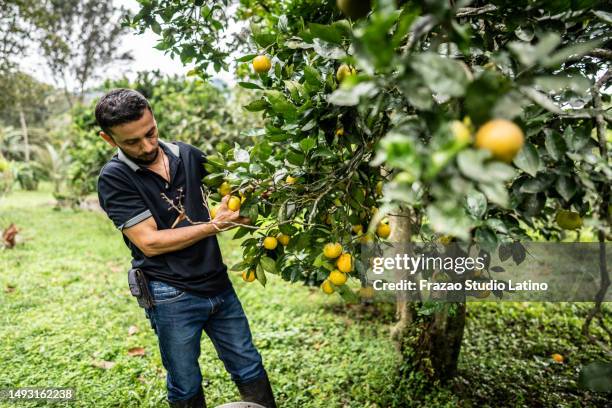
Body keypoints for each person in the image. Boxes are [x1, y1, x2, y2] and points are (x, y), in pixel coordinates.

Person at [95, 88, 276, 408]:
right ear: (110, 140)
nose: (147, 145)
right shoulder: (115, 178)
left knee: (249, 365)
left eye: (150, 133)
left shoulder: (187, 155)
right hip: (170, 293)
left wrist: (253, 193)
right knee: (184, 381)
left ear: (153, 117)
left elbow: (230, 186)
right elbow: (149, 243)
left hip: (218, 284)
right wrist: (216, 225)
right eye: (132, 142)